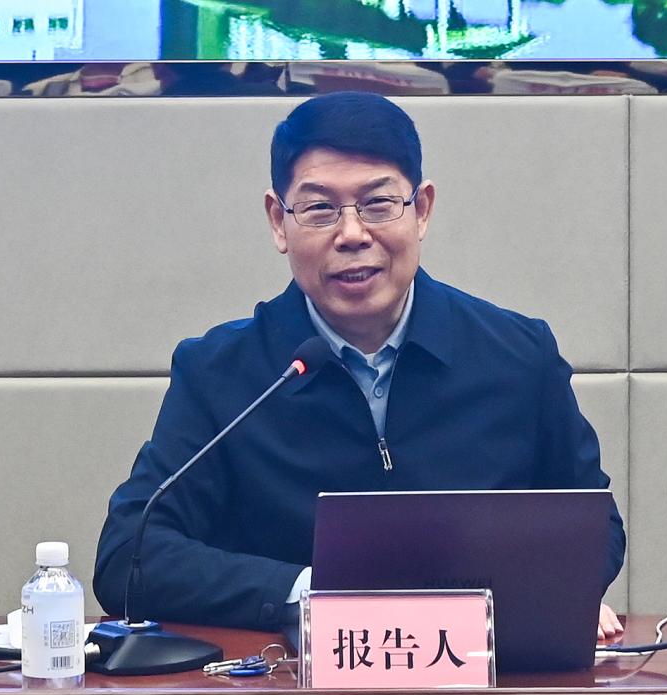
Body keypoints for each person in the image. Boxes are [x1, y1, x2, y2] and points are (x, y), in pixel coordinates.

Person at [94, 92, 626, 642]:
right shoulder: (220, 373)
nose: (352, 235)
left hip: (477, 676)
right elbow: (128, 557)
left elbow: (595, 527)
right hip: (288, 684)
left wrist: (547, 590)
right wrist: (313, 592)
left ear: (422, 209)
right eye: (320, 209)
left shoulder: (517, 355)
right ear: (279, 221)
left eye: (378, 203)